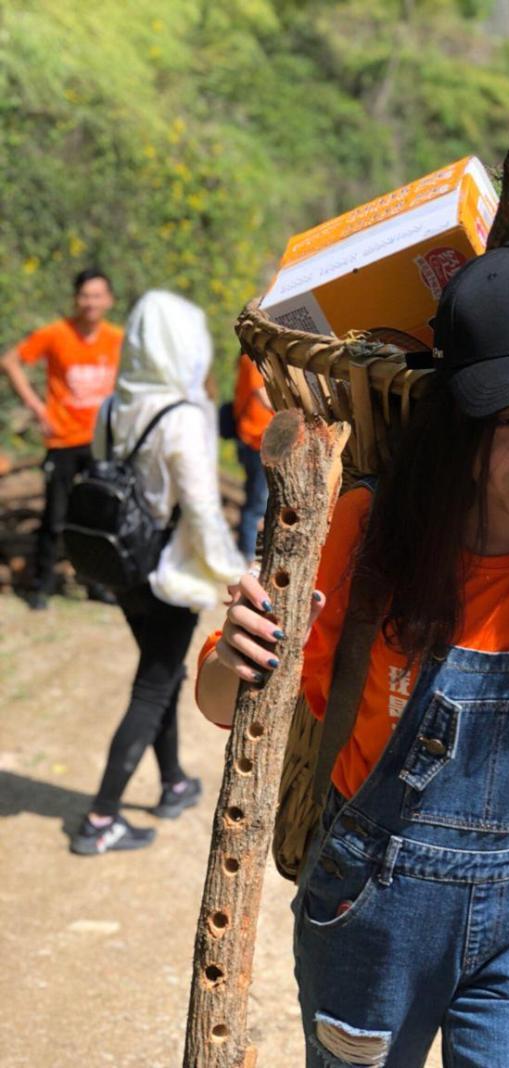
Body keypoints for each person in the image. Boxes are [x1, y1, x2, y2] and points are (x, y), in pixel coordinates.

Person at [195, 246, 509, 1066]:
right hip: (370, 910)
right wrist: (242, 655)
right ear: (453, 422)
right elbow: (225, 704)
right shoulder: (364, 533)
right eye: (506, 422)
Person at [71, 290, 246, 856]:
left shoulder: (111, 406)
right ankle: (100, 820)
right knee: (153, 685)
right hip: (167, 573)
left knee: (161, 675)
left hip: (120, 563)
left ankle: (172, 782)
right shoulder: (183, 415)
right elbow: (200, 509)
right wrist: (235, 574)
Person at [0, 268, 123, 609]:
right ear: (75, 299)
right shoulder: (56, 334)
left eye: (98, 295)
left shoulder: (116, 338)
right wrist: (37, 407)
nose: (91, 302)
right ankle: (42, 584)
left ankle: (95, 584)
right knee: (56, 516)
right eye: (85, 295)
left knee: (98, 516)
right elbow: (10, 361)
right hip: (63, 439)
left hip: (101, 440)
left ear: (109, 300)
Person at [232, 352, 273, 561]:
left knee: (255, 501)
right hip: (256, 439)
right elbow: (261, 393)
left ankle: (244, 552)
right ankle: (245, 558)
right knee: (257, 504)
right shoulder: (253, 360)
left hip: (257, 439)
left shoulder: (251, 360)